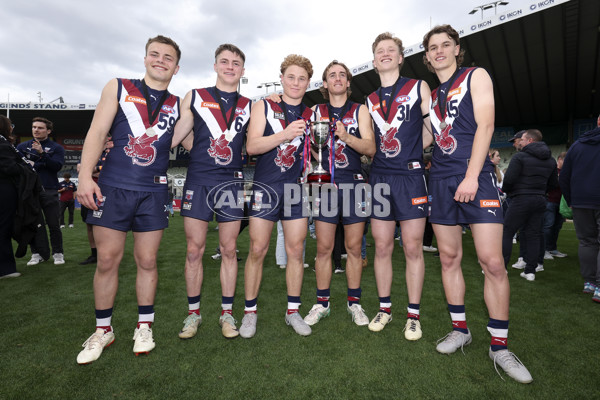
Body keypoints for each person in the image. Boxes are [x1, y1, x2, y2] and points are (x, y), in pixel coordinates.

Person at [422, 24, 532, 383]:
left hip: (475, 177)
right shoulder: (433, 97)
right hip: (439, 180)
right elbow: (424, 138)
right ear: (426, 57)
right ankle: (460, 329)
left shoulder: (475, 75)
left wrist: (472, 175)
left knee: (492, 262)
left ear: (457, 49)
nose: (439, 51)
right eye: (433, 48)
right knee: (450, 258)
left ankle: (499, 345)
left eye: (445, 45)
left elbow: (486, 126)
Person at [75, 35, 182, 364]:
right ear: (145, 58)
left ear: (176, 67)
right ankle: (103, 330)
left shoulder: (178, 104)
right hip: (114, 186)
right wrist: (84, 176)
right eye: (155, 54)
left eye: (168, 57)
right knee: (107, 260)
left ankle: (144, 325)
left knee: (147, 261)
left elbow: (190, 139)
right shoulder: (118, 87)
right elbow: (96, 132)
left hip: (153, 191)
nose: (160, 60)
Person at [171, 43, 251, 340]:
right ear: (215, 65)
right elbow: (177, 135)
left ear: (242, 70)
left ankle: (227, 313)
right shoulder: (195, 96)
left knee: (229, 250)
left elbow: (254, 142)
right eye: (225, 61)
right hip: (199, 180)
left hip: (231, 181)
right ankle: (193, 314)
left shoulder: (250, 105)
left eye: (236, 63)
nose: (230, 67)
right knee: (194, 251)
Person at [293, 60, 376, 328]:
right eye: (332, 75)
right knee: (324, 248)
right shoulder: (315, 111)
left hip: (354, 184)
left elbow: (370, 148)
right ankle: (322, 303)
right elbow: (299, 131)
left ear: (349, 82)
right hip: (325, 185)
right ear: (324, 84)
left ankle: (354, 303)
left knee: (353, 248)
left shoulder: (359, 110)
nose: (338, 78)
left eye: (342, 75)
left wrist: (345, 136)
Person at [240, 54, 315, 338]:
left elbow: (315, 150)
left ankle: (293, 311)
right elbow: (252, 146)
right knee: (258, 250)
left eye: (302, 78)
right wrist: (284, 134)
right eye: (291, 77)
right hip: (266, 186)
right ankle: (249, 313)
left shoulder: (311, 114)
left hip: (297, 189)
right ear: (281, 78)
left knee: (296, 251)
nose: (296, 82)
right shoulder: (264, 106)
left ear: (308, 83)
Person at [365, 32, 432, 340]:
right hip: (379, 178)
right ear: (375, 60)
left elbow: (432, 130)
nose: (386, 54)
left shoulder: (418, 87)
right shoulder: (370, 99)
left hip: (409, 177)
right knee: (381, 246)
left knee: (413, 247)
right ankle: (385, 308)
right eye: (380, 51)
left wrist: (412, 153)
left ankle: (414, 315)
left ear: (401, 57)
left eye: (391, 50)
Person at [502, 129, 558, 281]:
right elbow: (553, 184)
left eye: (522, 139)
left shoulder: (520, 157)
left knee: (507, 232)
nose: (519, 141)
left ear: (530, 141)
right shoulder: (551, 160)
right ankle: (530, 271)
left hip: (521, 199)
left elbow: (508, 181)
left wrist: (510, 191)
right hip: (540, 199)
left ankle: (501, 269)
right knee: (533, 234)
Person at [559, 114, 600, 302]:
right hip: (584, 200)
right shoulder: (579, 144)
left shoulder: (577, 145)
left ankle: (590, 282)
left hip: (581, 201)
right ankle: (596, 285)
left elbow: (564, 176)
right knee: (588, 242)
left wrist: (571, 199)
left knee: (586, 242)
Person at [17, 117, 65, 265]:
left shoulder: (57, 148)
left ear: (48, 131)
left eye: (40, 128)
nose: (36, 130)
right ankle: (36, 253)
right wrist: (40, 163)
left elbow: (56, 166)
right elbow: (20, 167)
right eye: (34, 127)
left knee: (53, 224)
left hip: (49, 189)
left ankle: (58, 253)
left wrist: (42, 154)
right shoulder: (22, 147)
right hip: (30, 190)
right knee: (33, 224)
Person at [0, 116, 22, 279]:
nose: (12, 128)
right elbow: (10, 168)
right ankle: (6, 269)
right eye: (10, 125)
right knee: (3, 228)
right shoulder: (3, 143)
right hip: (4, 190)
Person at [543, 151, 567, 259]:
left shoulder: (566, 172)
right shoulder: (552, 171)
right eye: (565, 161)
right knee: (548, 225)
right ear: (560, 160)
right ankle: (544, 250)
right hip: (550, 201)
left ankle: (552, 248)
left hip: (561, 203)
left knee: (557, 226)